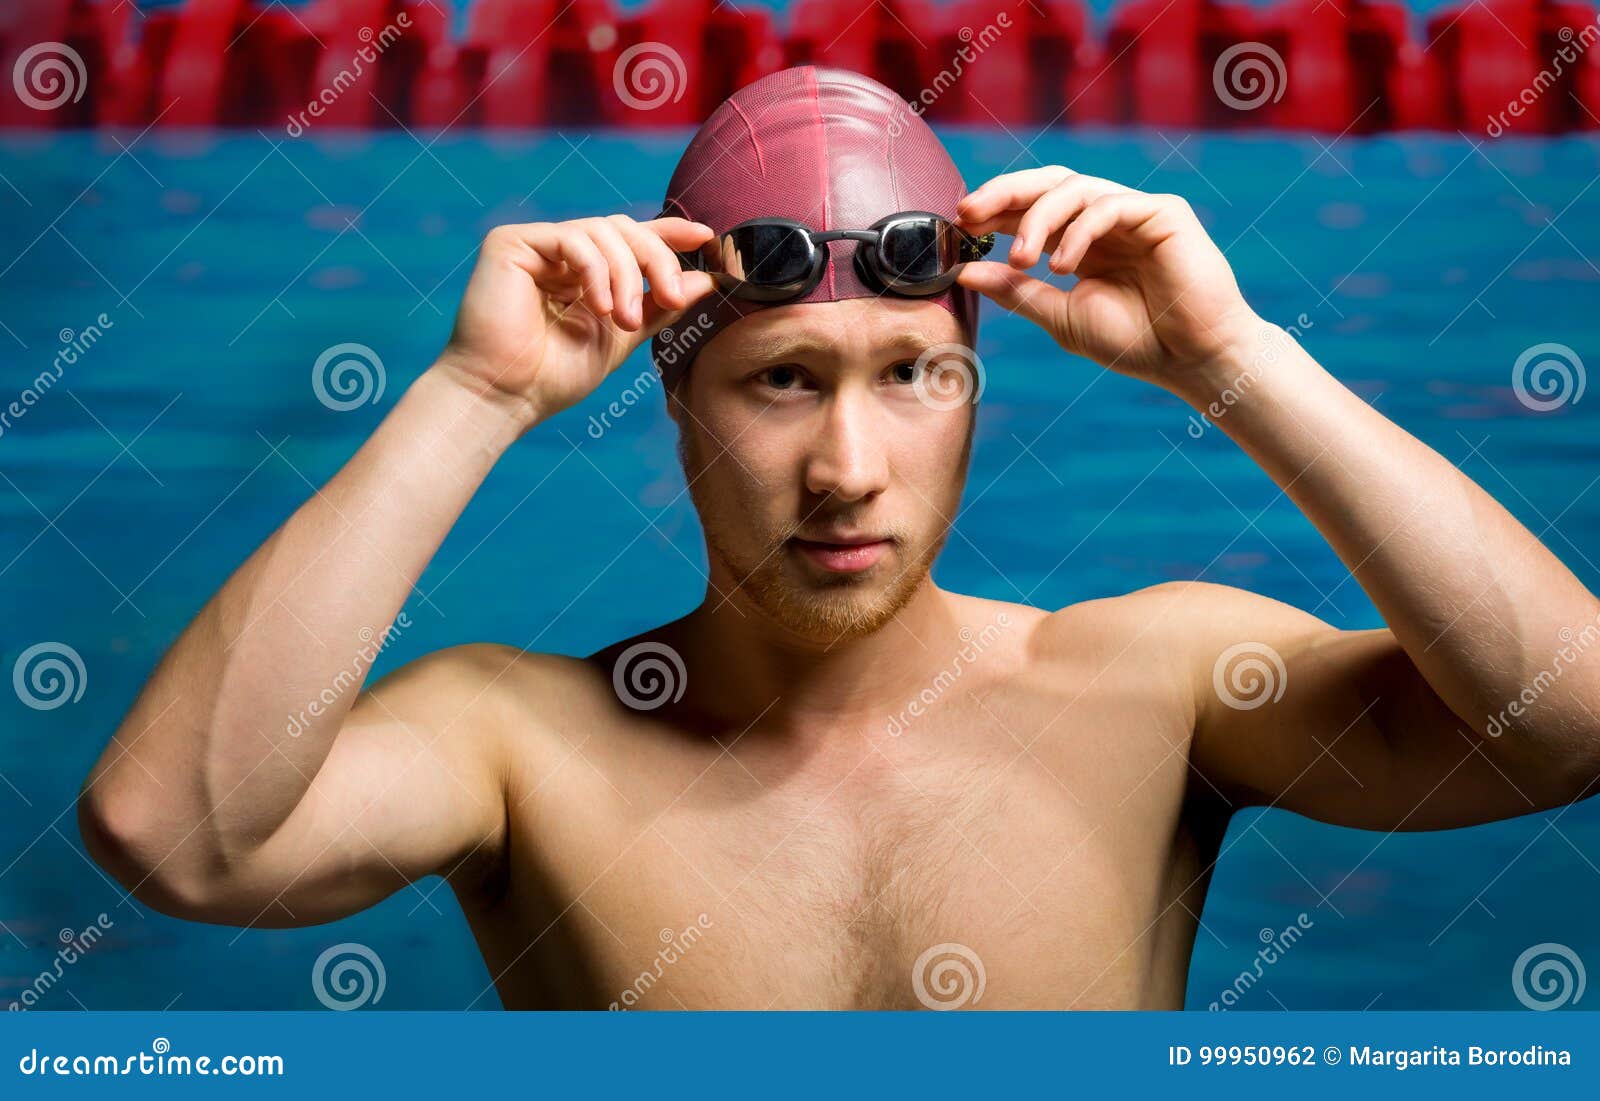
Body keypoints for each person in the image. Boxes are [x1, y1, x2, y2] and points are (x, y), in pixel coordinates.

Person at [80, 66, 1600, 1010]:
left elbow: (1567, 722)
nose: (847, 470)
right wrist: (474, 394)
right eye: (781, 382)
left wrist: (1237, 362)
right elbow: (177, 838)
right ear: (675, 401)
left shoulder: (1160, 682)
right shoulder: (515, 742)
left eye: (911, 377)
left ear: (974, 394)